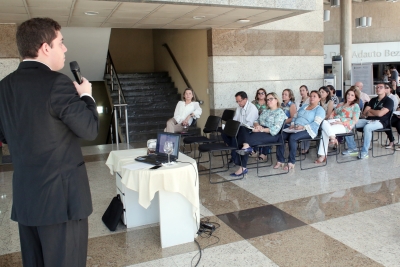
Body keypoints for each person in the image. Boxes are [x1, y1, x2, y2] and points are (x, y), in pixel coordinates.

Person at [0, 18, 99, 266]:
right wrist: (86, 96)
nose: (65, 49)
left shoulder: (4, 87)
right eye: (61, 43)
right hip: (61, 203)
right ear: (45, 48)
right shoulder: (57, 83)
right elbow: (89, 129)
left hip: (27, 201)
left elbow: (4, 135)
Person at [230, 93, 287, 176]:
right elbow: (256, 121)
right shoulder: (265, 111)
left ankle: (243, 165)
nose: (268, 101)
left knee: (244, 141)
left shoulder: (280, 112)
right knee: (242, 129)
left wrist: (262, 129)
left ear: (276, 100)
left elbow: (275, 130)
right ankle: (246, 150)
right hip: (260, 131)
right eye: (267, 99)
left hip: (271, 134)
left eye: (270, 99)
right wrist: (257, 126)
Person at [275, 90, 325, 170]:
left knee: (292, 138)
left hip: (309, 130)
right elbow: (295, 116)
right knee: (281, 136)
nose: (311, 98)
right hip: (295, 128)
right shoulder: (304, 106)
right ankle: (280, 160)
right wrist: (292, 124)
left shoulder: (320, 110)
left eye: (314, 96)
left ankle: (291, 162)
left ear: (319, 99)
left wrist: (303, 127)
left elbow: (316, 123)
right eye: (311, 96)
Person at [342, 83, 394, 159]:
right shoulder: (373, 100)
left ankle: (364, 152)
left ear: (385, 90)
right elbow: (365, 113)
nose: (378, 88)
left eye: (381, 87)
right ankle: (352, 148)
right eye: (377, 87)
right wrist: (374, 112)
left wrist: (371, 111)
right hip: (368, 120)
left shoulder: (389, 101)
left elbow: (380, 114)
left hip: (381, 122)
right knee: (347, 124)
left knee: (367, 127)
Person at [315, 87, 361, 163]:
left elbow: (355, 120)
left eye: (352, 95)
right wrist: (331, 117)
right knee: (323, 122)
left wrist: (342, 122)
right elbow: (334, 113)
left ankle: (323, 155)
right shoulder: (341, 104)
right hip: (334, 122)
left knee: (324, 131)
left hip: (345, 126)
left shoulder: (355, 106)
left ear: (355, 97)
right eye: (348, 94)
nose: (349, 96)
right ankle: (333, 138)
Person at [221, 91, 259, 163]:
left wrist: (237, 127)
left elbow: (249, 124)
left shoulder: (252, 108)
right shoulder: (239, 107)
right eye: (237, 101)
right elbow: (235, 119)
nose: (238, 103)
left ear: (245, 99)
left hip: (248, 129)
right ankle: (236, 153)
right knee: (224, 133)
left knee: (234, 137)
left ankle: (235, 157)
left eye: (240, 101)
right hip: (240, 128)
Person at [384, 83, 400, 149]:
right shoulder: (382, 97)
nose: (385, 89)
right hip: (393, 116)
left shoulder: (393, 98)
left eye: (387, 88)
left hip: (393, 115)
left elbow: (393, 109)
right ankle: (392, 140)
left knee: (387, 123)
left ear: (390, 89)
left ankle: (392, 141)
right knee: (387, 123)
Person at [296, 85, 310, 154]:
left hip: (306, 118)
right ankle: (300, 146)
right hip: (298, 117)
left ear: (307, 91)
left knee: (304, 126)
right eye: (300, 91)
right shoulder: (298, 100)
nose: (301, 92)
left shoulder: (309, 99)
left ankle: (305, 148)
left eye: (303, 90)